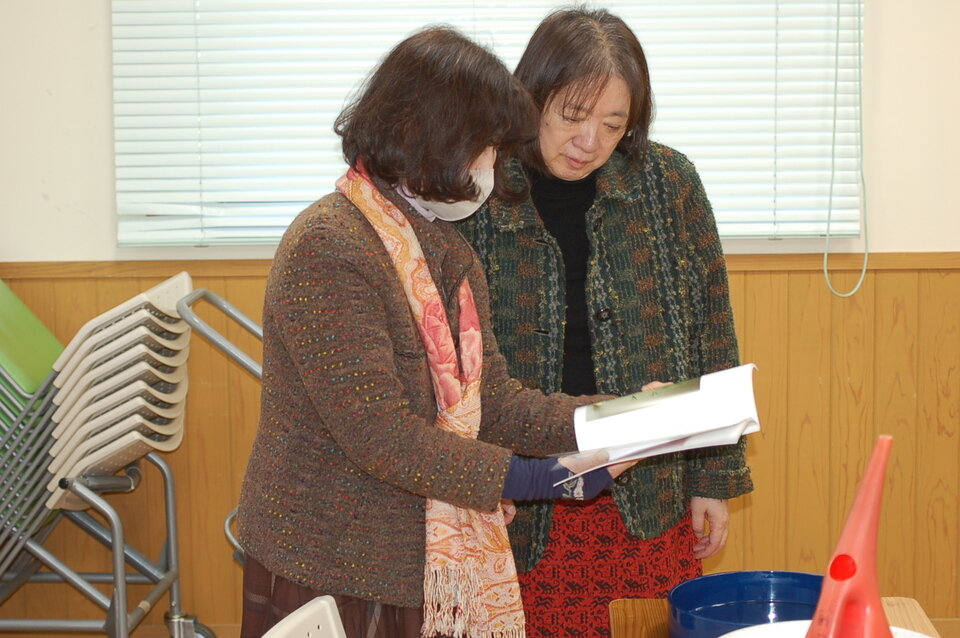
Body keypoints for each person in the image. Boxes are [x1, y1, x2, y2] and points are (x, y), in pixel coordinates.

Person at [235, 25, 635, 638]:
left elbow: (495, 402)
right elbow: (380, 433)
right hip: (328, 559)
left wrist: (619, 418)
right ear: (427, 136)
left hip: (418, 557)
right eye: (483, 148)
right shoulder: (329, 246)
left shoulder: (445, 249)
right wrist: (541, 478)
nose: (490, 167)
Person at [458, 7, 754, 637]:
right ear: (531, 97)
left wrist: (713, 477)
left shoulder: (668, 184)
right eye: (571, 115)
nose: (590, 141)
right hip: (523, 490)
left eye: (613, 124)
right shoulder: (478, 190)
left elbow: (712, 332)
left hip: (647, 490)